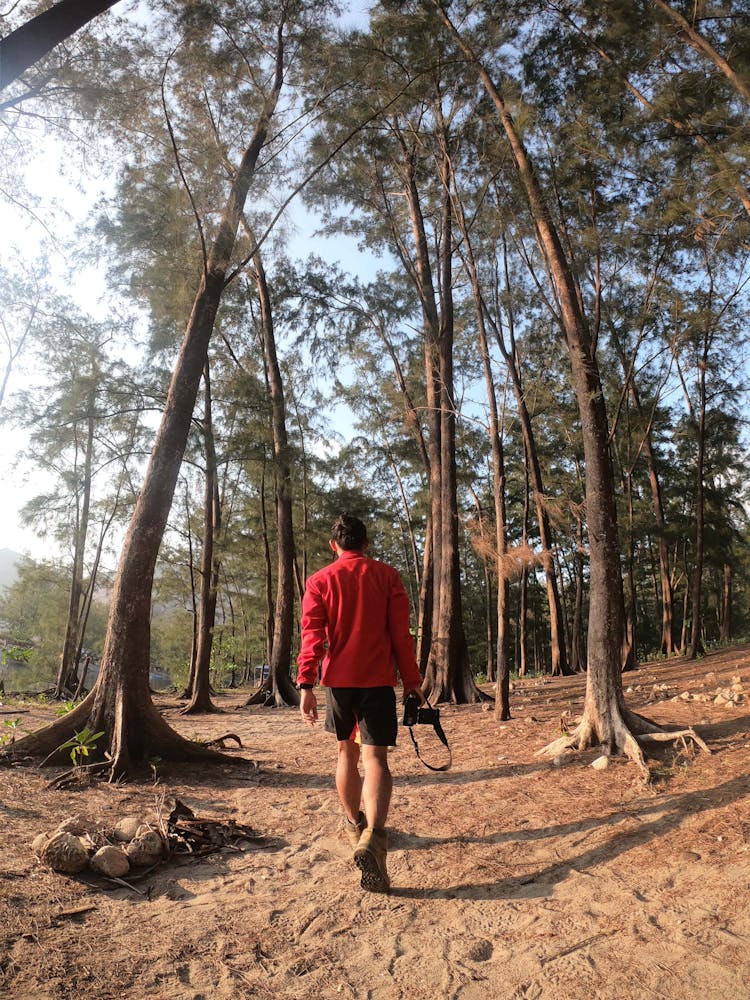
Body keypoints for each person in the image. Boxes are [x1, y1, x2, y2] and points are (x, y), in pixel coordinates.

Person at [297, 512, 425, 893]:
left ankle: (356, 826)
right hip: (377, 682)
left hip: (338, 683)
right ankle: (375, 836)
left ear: (334, 545)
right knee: (376, 760)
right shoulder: (387, 576)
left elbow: (312, 635)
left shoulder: (319, 580)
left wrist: (306, 682)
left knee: (345, 756)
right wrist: (412, 681)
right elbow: (401, 635)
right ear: (366, 544)